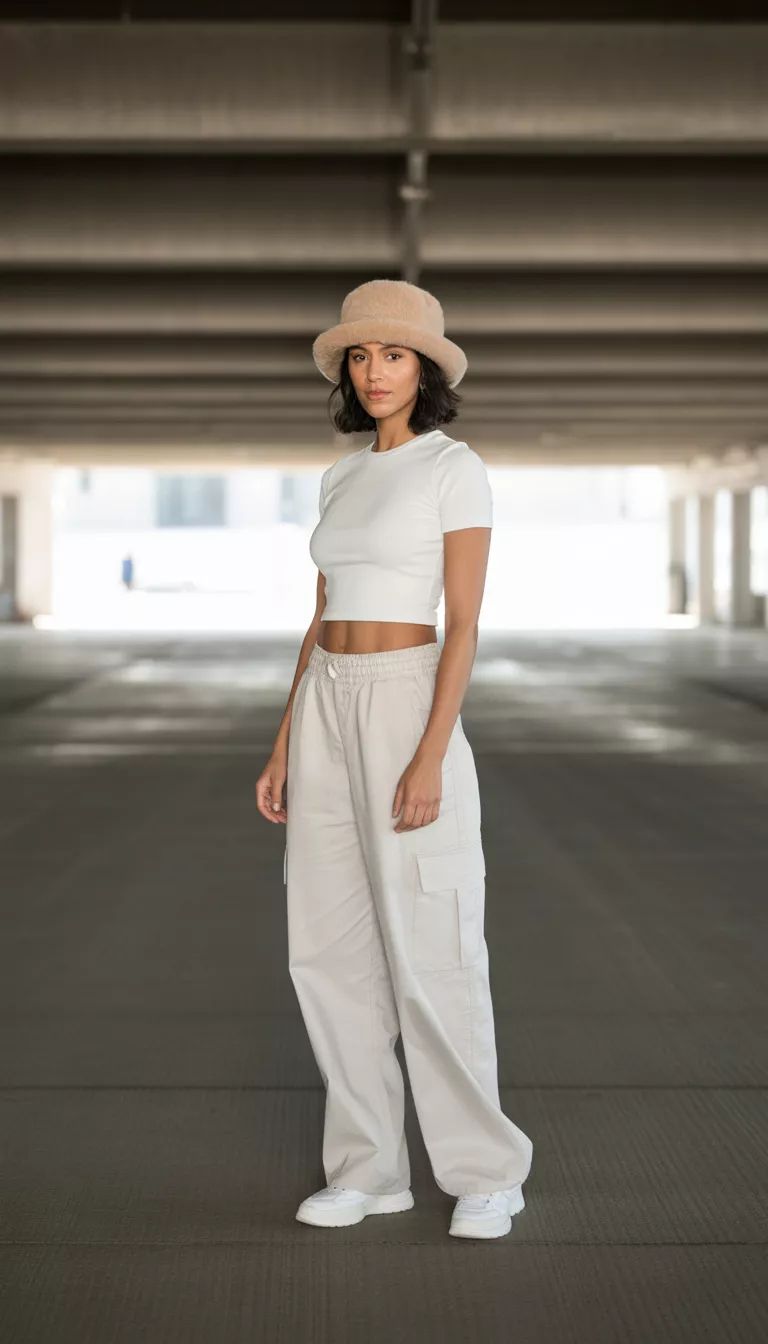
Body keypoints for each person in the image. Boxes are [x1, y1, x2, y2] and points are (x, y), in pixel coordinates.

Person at [255, 279, 533, 1240]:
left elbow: (463, 624)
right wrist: (287, 738)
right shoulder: (340, 475)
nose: (375, 373)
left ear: (427, 369)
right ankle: (370, 1168)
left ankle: (486, 1171)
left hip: (411, 694)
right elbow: (319, 614)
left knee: (434, 948)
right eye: (361, 357)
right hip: (328, 698)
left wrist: (429, 754)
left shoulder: (457, 468)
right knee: (326, 950)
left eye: (395, 355)